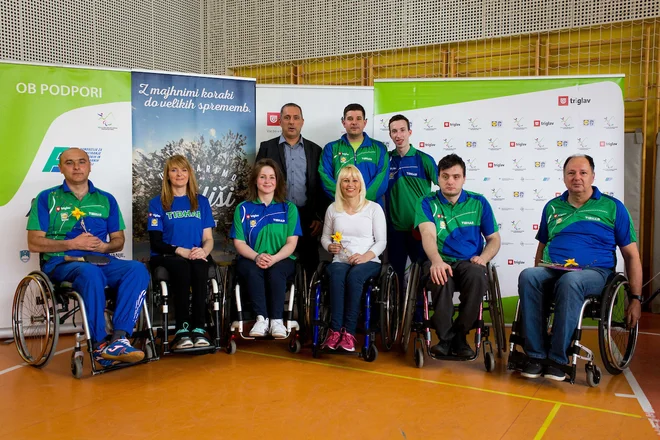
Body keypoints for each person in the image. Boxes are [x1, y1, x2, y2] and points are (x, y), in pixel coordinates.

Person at [518, 154, 642, 381]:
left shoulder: (613, 208)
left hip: (595, 273)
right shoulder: (552, 207)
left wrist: (635, 298)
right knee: (528, 276)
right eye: (571, 173)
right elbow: (541, 247)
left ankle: (558, 358)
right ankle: (535, 355)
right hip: (554, 268)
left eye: (583, 173)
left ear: (592, 176)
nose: (577, 178)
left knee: (571, 281)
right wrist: (539, 269)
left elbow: (632, 256)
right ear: (564, 177)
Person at [26, 148, 148, 367]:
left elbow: (118, 240)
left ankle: (119, 339)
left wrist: (105, 247)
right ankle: (99, 345)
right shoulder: (47, 198)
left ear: (89, 165)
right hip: (61, 262)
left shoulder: (106, 199)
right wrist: (72, 244)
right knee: (90, 273)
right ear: (61, 167)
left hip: (99, 259)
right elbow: (34, 242)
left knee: (137, 269)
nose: (76, 167)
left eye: (81, 162)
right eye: (69, 163)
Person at [415, 154, 501, 357]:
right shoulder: (426, 202)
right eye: (445, 176)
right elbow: (427, 233)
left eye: (455, 176)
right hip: (440, 258)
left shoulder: (479, 202)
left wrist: (484, 258)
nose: (450, 181)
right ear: (438, 178)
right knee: (439, 276)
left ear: (464, 178)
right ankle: (446, 339)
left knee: (478, 275)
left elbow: (494, 239)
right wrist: (436, 261)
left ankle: (460, 335)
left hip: (469, 262)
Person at [147, 155, 215, 350]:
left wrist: (203, 252)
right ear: (167, 175)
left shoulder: (200, 202)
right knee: (182, 267)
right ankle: (182, 329)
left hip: (196, 253)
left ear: (189, 174)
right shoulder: (158, 203)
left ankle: (199, 328)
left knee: (201, 267)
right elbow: (156, 242)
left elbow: (208, 239)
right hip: (167, 255)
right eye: (174, 170)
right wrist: (181, 251)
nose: (179, 174)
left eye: (184, 170)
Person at [230, 158, 302, 338]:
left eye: (272, 177)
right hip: (250, 259)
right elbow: (239, 243)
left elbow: (291, 243)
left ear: (277, 181)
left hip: (282, 259)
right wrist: (256, 257)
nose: (267, 181)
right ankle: (261, 320)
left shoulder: (289, 208)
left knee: (276, 271)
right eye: (263, 177)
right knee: (253, 271)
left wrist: (274, 258)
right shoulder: (243, 209)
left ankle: (277, 321)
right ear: (255, 180)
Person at [320, 165, 387, 352]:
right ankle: (334, 331)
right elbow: (325, 237)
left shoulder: (373, 209)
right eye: (345, 180)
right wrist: (329, 246)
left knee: (355, 277)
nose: (350, 185)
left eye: (354, 180)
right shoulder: (333, 209)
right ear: (340, 184)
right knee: (337, 275)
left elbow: (381, 242)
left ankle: (348, 333)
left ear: (361, 185)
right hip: (340, 260)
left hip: (368, 261)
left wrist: (365, 256)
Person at [256, 103, 326, 277]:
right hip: (275, 215)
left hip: (307, 218)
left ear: (302, 121)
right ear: (280, 121)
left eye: (296, 118)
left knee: (310, 263)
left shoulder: (315, 150)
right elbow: (257, 181)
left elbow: (320, 186)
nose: (291, 122)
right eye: (287, 118)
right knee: (275, 265)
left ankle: (308, 303)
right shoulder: (267, 147)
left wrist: (318, 216)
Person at [386, 114, 438, 293]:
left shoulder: (424, 159)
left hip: (420, 229)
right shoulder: (386, 160)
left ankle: (418, 317)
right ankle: (398, 316)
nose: (398, 135)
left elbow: (446, 188)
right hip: (394, 229)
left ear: (409, 132)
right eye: (394, 131)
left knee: (420, 276)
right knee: (396, 277)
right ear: (390, 135)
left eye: (402, 130)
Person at [318, 103, 388, 204]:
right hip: (341, 208)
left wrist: (361, 201)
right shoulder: (331, 148)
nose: (354, 122)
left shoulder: (379, 148)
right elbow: (325, 178)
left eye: (358, 118)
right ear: (343, 122)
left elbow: (381, 181)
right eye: (350, 118)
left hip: (370, 208)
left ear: (365, 122)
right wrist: (346, 200)